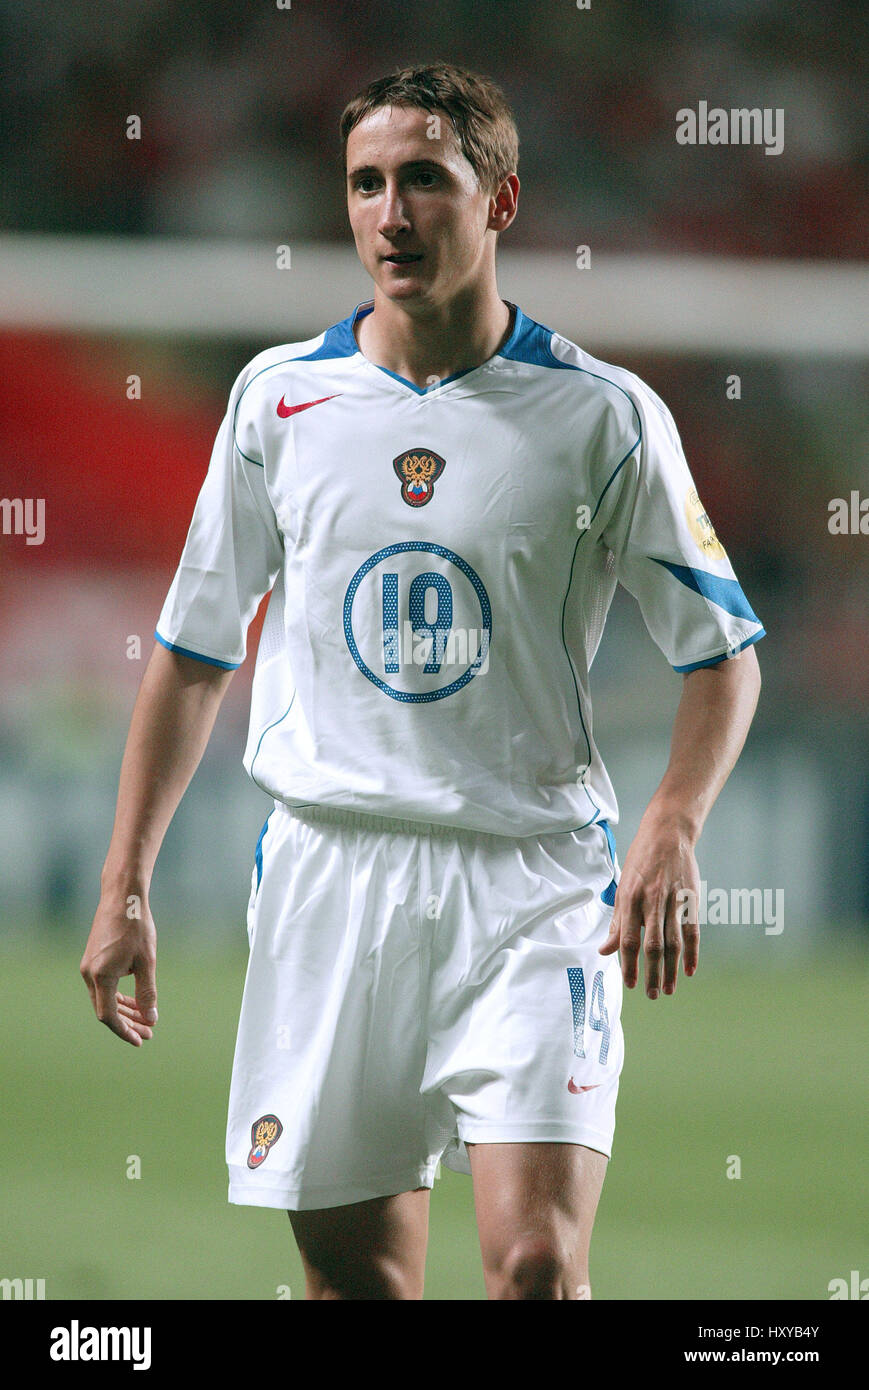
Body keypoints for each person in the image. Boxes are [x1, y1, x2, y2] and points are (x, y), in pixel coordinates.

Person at [81, 62, 764, 1301]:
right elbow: (191, 655)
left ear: (498, 201)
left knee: (537, 1267)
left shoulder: (600, 416)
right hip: (329, 876)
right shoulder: (278, 401)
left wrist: (671, 818)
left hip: (535, 881)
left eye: (423, 181)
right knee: (357, 1286)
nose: (389, 214)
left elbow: (722, 653)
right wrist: (125, 876)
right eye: (364, 184)